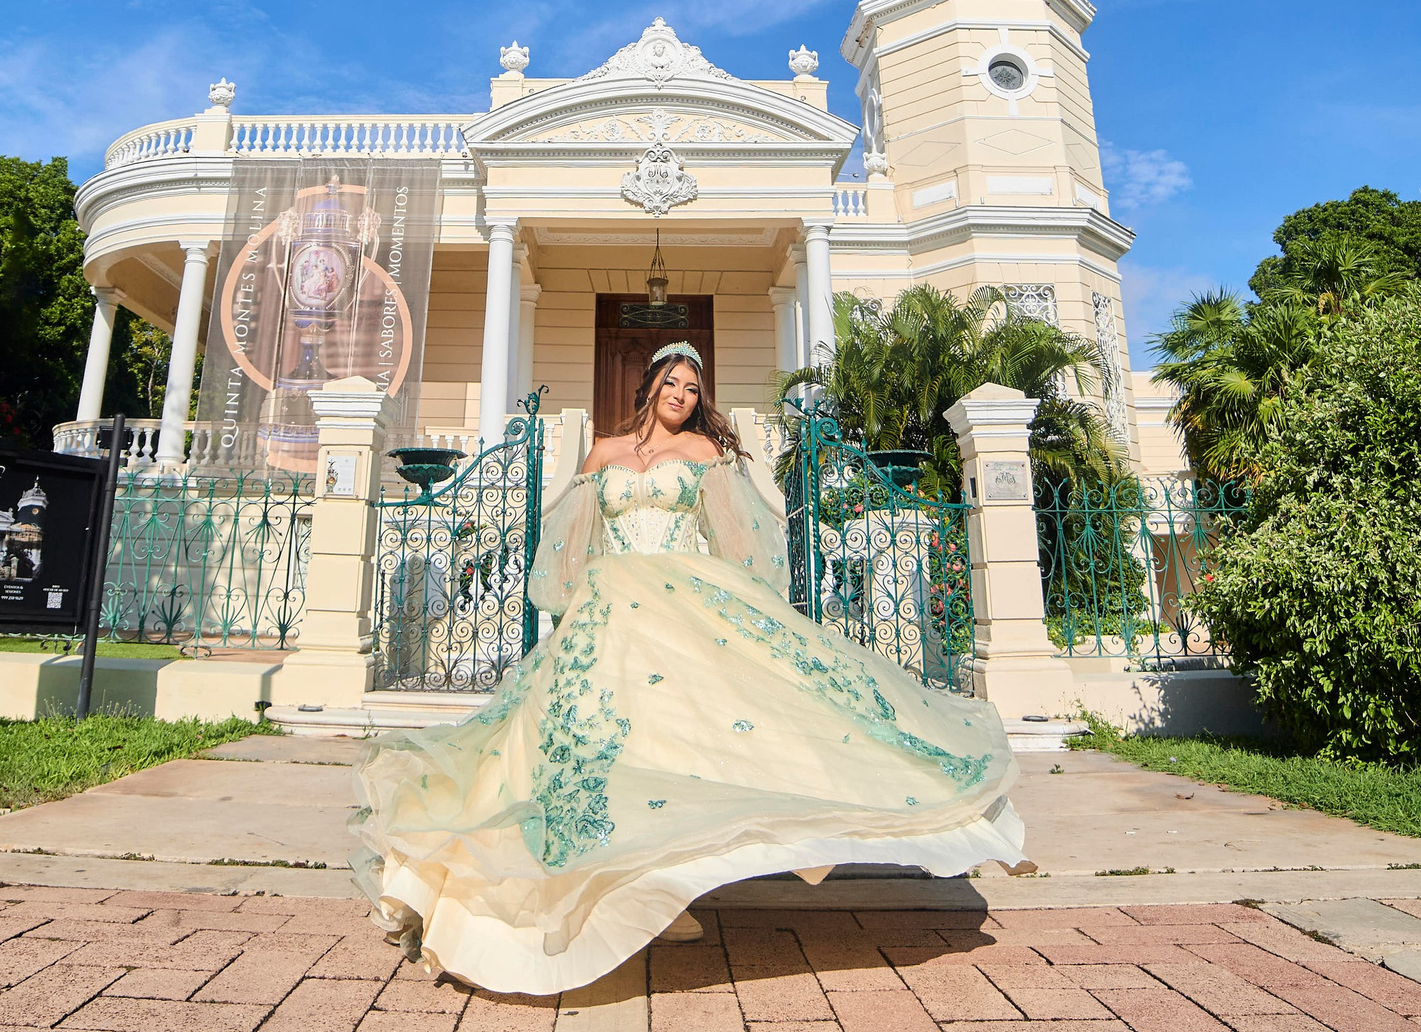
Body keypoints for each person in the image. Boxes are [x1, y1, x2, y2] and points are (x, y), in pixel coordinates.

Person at [351, 342, 1025, 995]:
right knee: (587, 750)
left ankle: (666, 887)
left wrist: (740, 619)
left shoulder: (706, 453)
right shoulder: (603, 453)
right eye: (672, 382)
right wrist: (584, 592)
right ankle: (625, 892)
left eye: (693, 388)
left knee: (683, 746)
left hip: (681, 608)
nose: (681, 395)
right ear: (649, 385)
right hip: (608, 614)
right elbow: (568, 552)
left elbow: (739, 549)